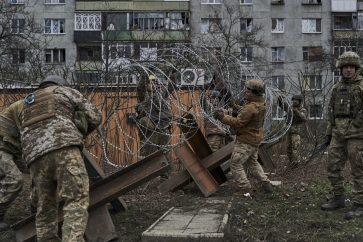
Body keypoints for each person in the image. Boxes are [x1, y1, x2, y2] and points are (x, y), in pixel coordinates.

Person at [20, 75, 102, 241]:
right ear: (60, 84)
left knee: (44, 207)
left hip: (34, 157)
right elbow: (95, 116)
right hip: (64, 147)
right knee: (75, 200)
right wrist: (81, 130)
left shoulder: (26, 103)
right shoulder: (64, 91)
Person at [320, 51, 363, 220]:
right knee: (332, 165)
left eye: (351, 67)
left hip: (357, 134)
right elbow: (331, 111)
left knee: (358, 169)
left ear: (356, 68)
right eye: (345, 67)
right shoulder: (337, 88)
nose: (348, 70)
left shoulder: (361, 86)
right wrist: (329, 133)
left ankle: (360, 204)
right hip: (338, 132)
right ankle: (338, 198)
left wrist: (356, 124)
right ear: (341, 69)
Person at [213, 79, 272, 193]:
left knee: (235, 163)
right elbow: (245, 112)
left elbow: (238, 122)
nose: (245, 92)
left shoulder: (251, 107)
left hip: (246, 140)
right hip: (254, 139)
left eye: (248, 90)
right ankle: (266, 184)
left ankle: (245, 188)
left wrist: (221, 117)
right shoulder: (259, 104)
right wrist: (234, 106)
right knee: (253, 163)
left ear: (254, 92)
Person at [136, 74, 173, 177]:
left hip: (163, 127)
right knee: (148, 153)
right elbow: (140, 87)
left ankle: (166, 175)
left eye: (154, 82)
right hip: (151, 129)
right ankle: (145, 177)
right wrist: (145, 74)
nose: (153, 84)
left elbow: (170, 87)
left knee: (165, 152)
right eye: (150, 82)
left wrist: (173, 75)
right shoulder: (143, 96)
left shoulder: (161, 94)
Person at [0, 99, 24, 231]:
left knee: (39, 169)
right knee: (14, 179)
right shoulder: (29, 105)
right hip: (2, 147)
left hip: (11, 149)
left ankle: (36, 205)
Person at [279, 94, 307, 166]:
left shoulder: (302, 110)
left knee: (295, 148)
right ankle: (291, 163)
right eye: (293, 100)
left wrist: (296, 111)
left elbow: (303, 118)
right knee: (289, 149)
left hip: (296, 133)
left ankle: (296, 164)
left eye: (296, 100)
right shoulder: (290, 108)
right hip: (289, 132)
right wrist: (280, 100)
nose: (294, 102)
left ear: (300, 101)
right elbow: (283, 106)